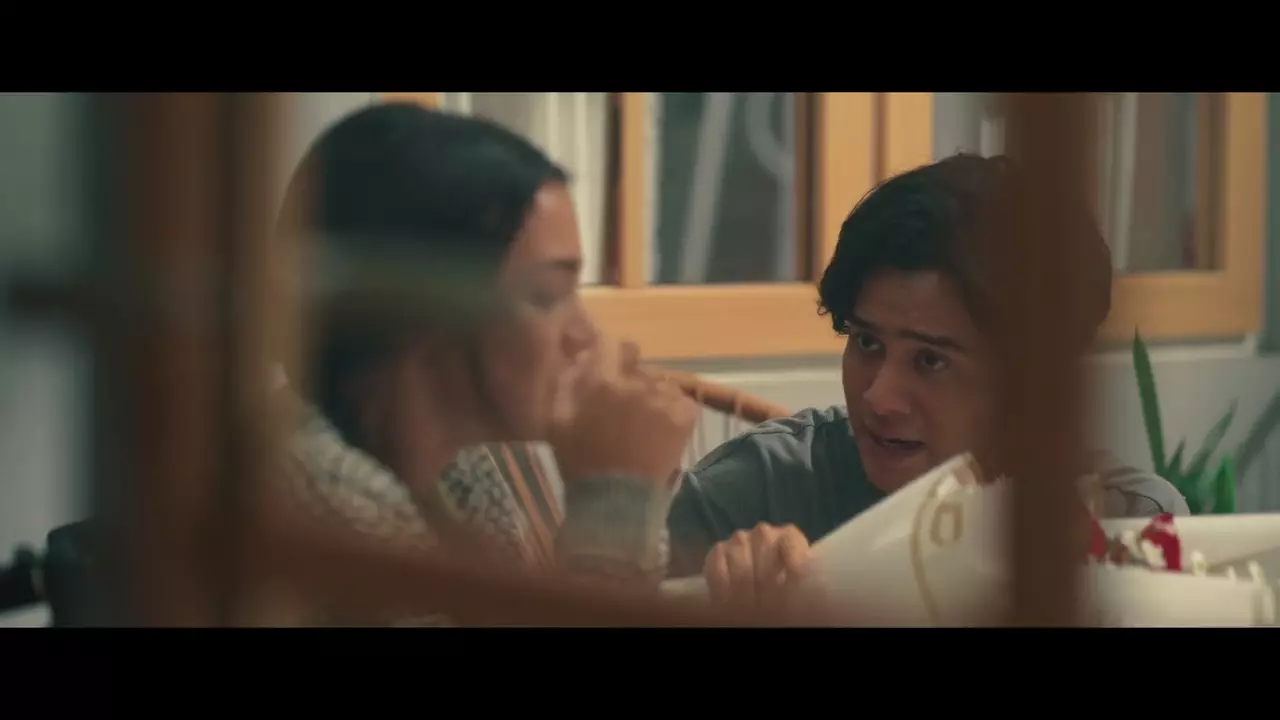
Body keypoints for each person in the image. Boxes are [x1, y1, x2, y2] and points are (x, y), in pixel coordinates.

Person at [664, 153, 1189, 606]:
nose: (878, 397)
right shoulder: (751, 499)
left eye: (930, 361)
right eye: (867, 343)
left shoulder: (1130, 527)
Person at [274, 102, 698, 623]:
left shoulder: (459, 477)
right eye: (545, 295)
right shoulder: (319, 498)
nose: (584, 335)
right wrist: (616, 502)